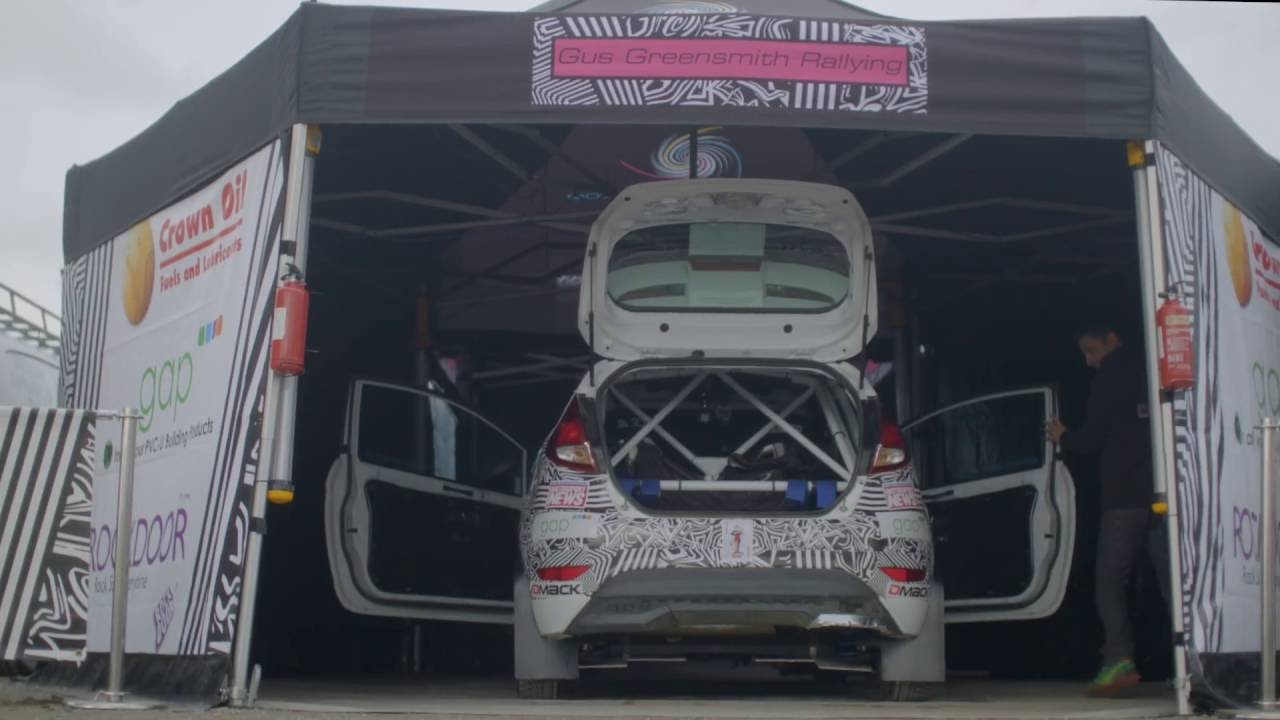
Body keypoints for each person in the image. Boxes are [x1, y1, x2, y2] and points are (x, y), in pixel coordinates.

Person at [1046, 322, 1169, 696]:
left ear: (1113, 340)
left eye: (1092, 350)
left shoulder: (1108, 380)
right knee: (1172, 583)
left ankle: (1118, 661)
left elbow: (1092, 439)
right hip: (1162, 497)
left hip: (1122, 500)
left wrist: (1062, 436)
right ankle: (1198, 658)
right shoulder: (1155, 370)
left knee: (1109, 584)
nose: (1089, 361)